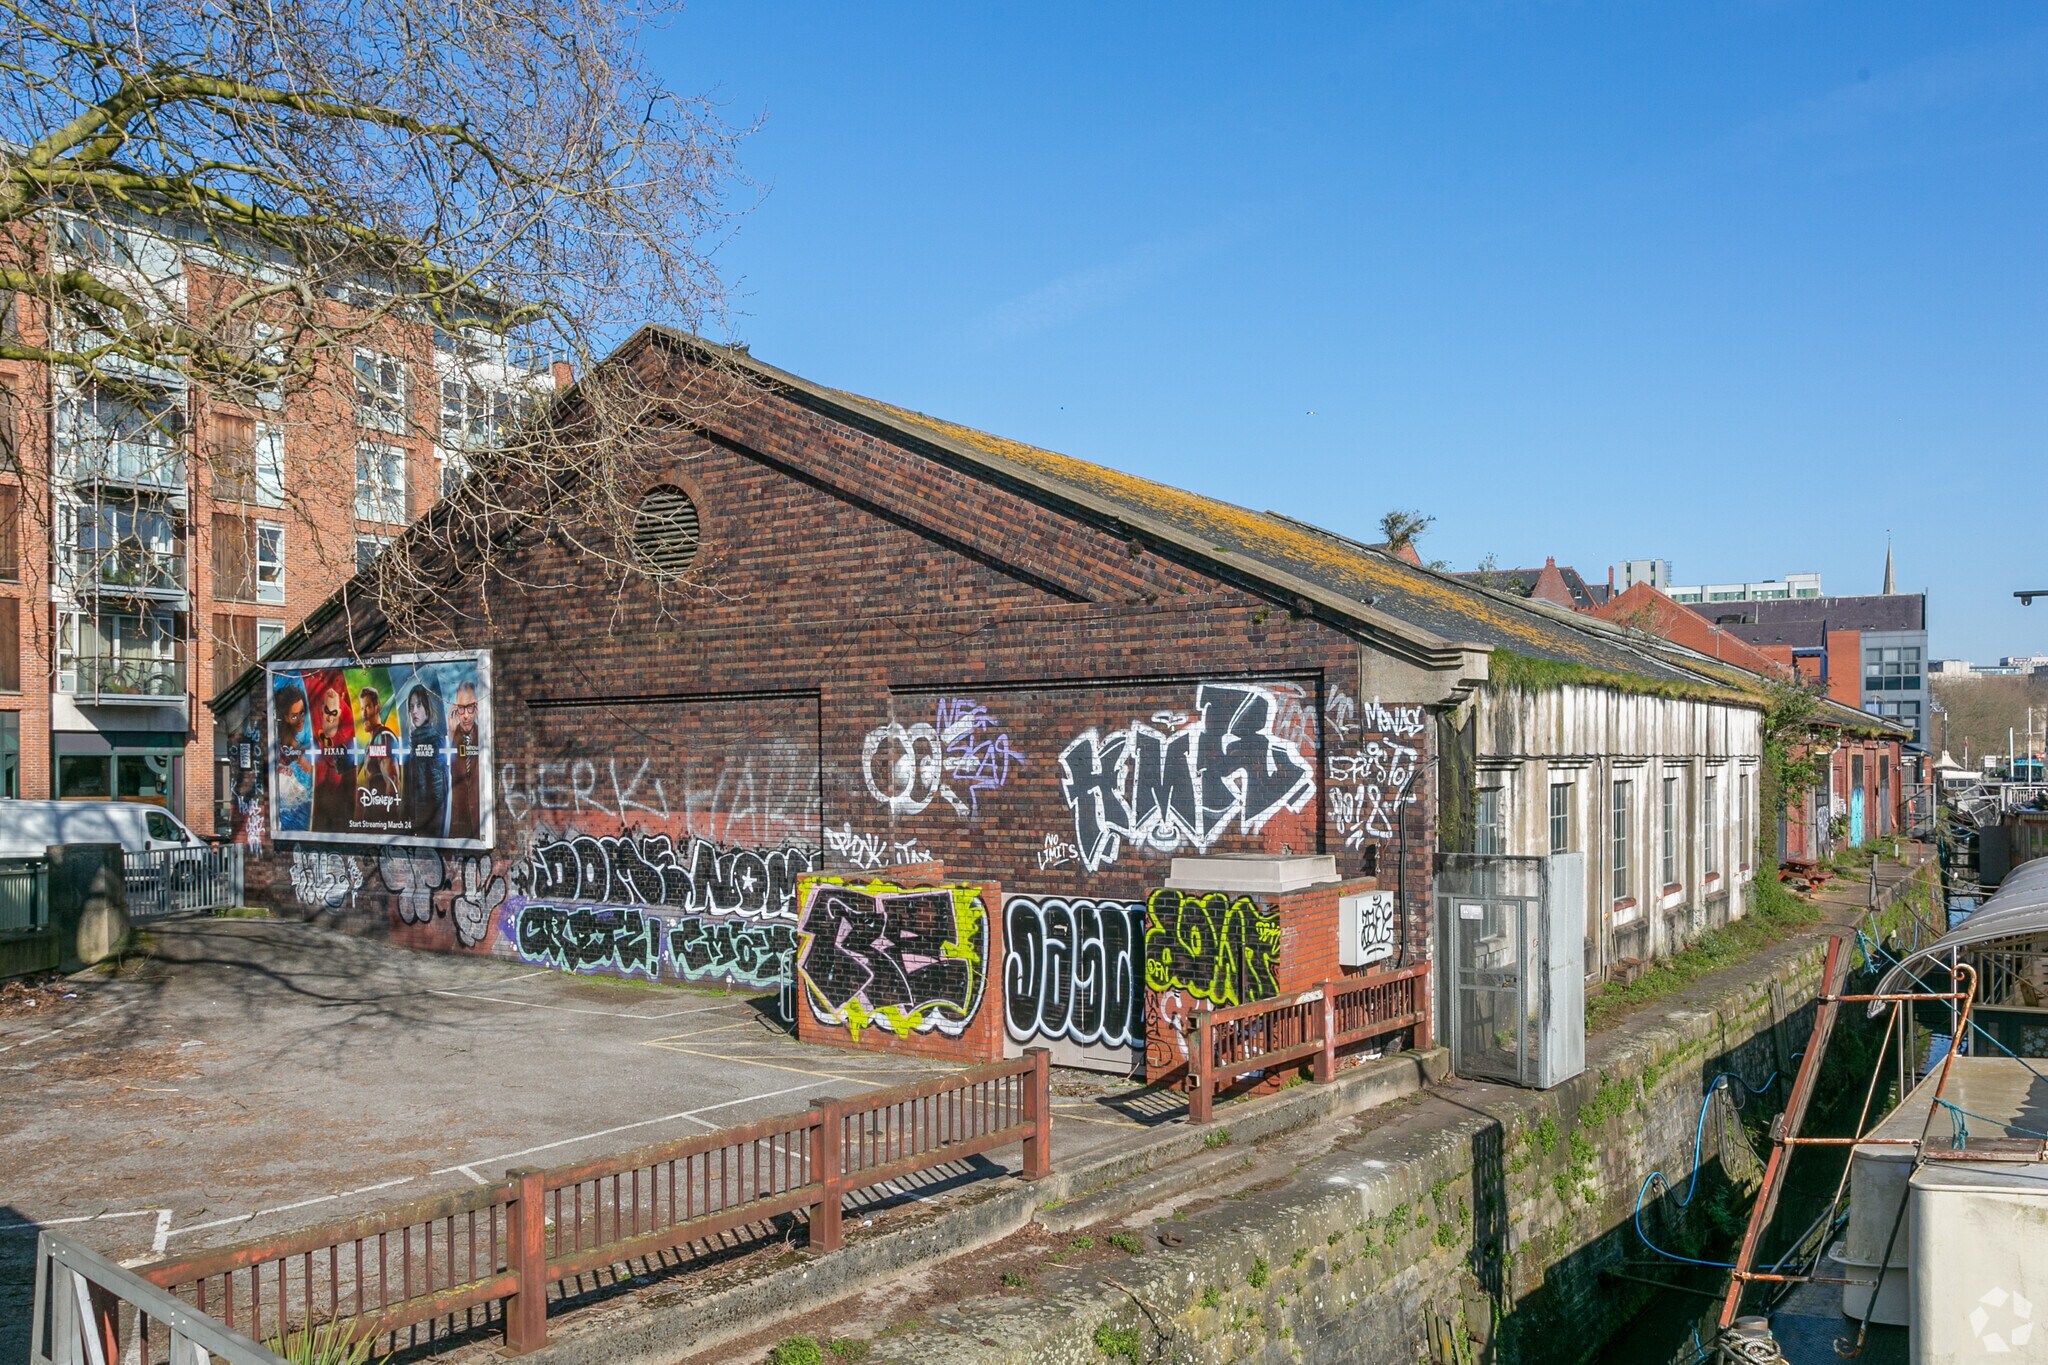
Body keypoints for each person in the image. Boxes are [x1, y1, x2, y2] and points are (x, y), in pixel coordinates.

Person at [401, 682, 449, 838]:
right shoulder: (414, 742)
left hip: (428, 828)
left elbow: (437, 792)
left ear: (427, 709)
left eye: (419, 705)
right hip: (415, 825)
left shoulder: (434, 741)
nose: (414, 711)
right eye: (411, 706)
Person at [310, 677, 357, 831]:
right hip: (318, 806)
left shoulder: (347, 725)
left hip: (338, 810)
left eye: (334, 714)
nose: (330, 717)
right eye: (327, 713)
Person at [271, 680, 312, 832]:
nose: (301, 719)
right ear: (285, 717)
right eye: (294, 716)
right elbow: (305, 766)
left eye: (302, 713)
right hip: (284, 785)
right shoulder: (288, 737)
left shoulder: (283, 735)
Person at [446, 679, 483, 840]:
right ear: (455, 709)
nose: (466, 715)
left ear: (476, 707)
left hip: (480, 821)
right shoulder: (452, 737)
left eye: (470, 707)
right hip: (458, 823)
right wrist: (450, 734)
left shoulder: (483, 735)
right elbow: (445, 774)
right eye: (461, 708)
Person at [358, 684, 402, 811]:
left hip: (381, 822)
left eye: (367, 707)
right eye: (361, 709)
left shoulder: (383, 738)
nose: (363, 714)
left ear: (377, 708)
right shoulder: (372, 741)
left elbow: (392, 782)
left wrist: (386, 822)